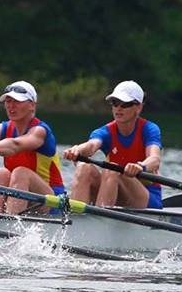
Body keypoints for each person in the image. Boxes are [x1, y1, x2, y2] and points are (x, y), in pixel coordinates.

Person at [62, 80, 162, 209]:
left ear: (139, 107)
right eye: (115, 103)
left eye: (125, 104)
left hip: (146, 197)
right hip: (115, 190)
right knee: (83, 168)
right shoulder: (105, 131)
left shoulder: (149, 129)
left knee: (112, 169)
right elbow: (91, 146)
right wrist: (77, 150)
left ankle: (101, 216)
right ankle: (75, 216)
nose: (118, 108)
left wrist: (140, 166)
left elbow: (155, 159)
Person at [0, 81, 64, 214]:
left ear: (32, 105)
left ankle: (10, 220)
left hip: (50, 201)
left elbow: (15, 145)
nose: (11, 106)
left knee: (21, 173)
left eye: (17, 101)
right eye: (8, 101)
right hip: (20, 195)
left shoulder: (40, 131)